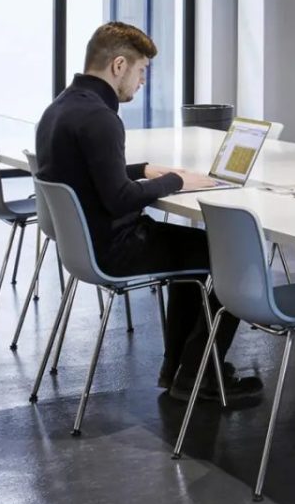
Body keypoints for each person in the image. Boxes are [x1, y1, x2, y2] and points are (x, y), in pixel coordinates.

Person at [34, 22, 261, 404]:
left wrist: (142, 171)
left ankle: (181, 370)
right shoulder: (102, 119)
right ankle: (196, 374)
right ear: (118, 65)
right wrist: (174, 180)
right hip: (115, 248)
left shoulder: (60, 108)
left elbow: (85, 175)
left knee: (196, 253)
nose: (141, 83)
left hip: (85, 244)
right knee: (232, 257)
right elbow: (120, 200)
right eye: (141, 72)